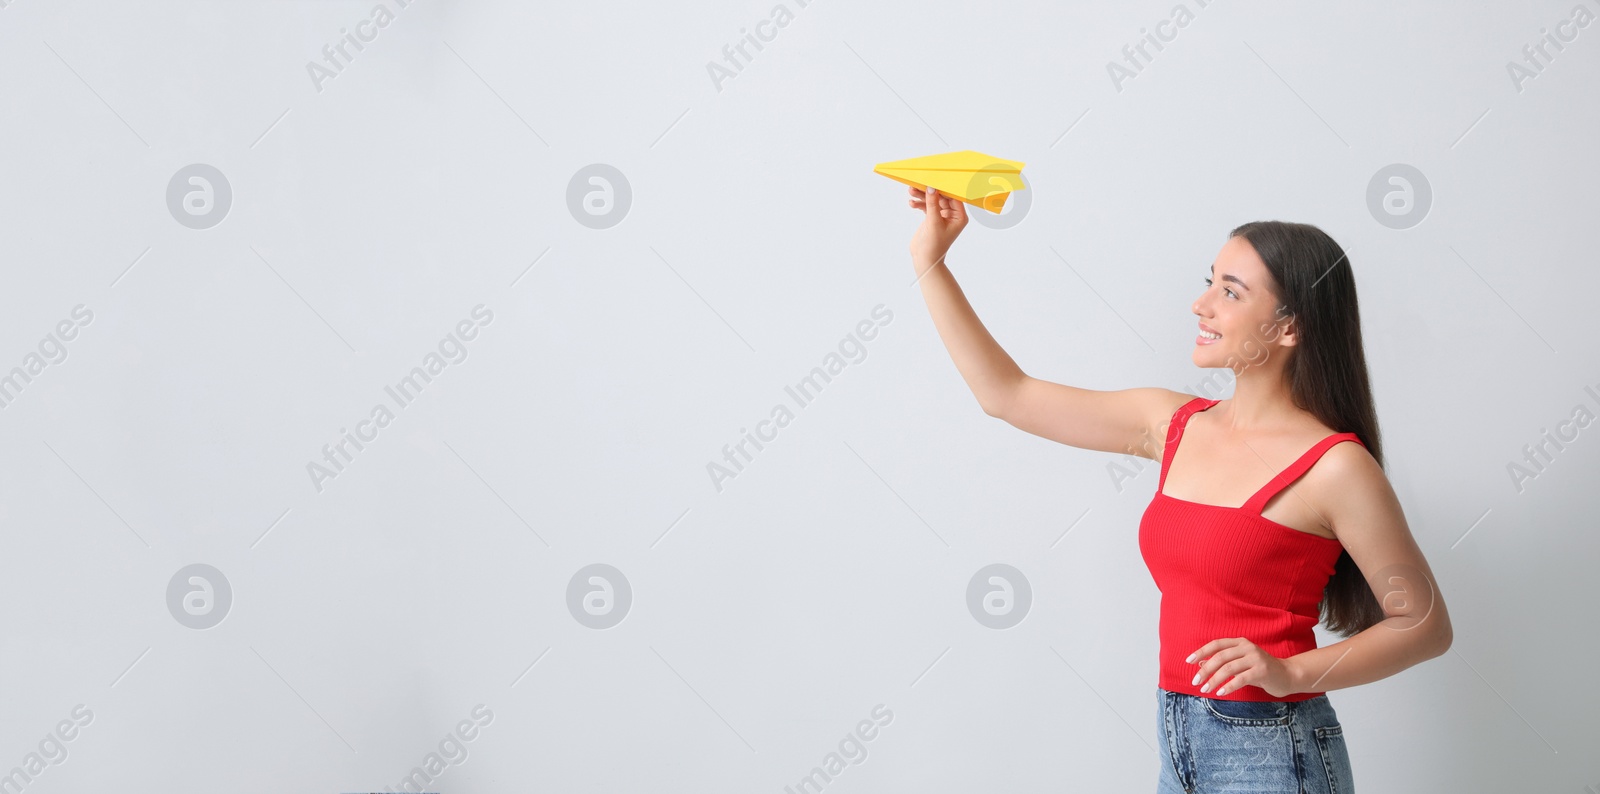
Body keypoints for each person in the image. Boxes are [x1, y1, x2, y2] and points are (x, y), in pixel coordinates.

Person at [905, 184, 1453, 793]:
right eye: (1210, 281)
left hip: (1272, 749)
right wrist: (931, 262)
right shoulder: (1172, 426)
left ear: (1289, 327)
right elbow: (1005, 395)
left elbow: (1424, 624)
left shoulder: (1335, 467)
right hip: (1179, 737)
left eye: (1230, 291)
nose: (1202, 304)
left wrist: (1292, 670)